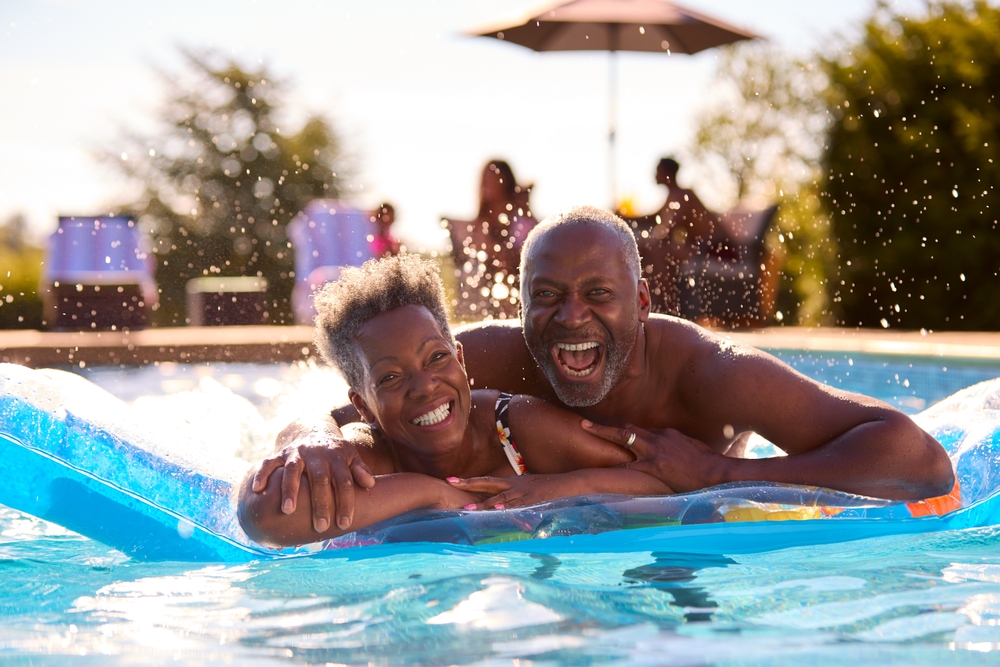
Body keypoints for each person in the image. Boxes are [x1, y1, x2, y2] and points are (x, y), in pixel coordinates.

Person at [250, 205, 955, 536]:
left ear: (643, 302)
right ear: (522, 307)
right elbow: (373, 384)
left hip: (701, 537)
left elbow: (920, 461)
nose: (571, 319)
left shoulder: (713, 375)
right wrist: (310, 436)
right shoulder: (490, 355)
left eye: (599, 296)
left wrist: (719, 476)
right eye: (547, 299)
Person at [239, 254, 669, 547]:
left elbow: (654, 482)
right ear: (364, 407)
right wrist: (435, 496)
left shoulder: (512, 428)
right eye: (390, 377)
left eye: (438, 357)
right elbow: (262, 515)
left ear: (461, 361)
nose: (424, 386)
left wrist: (559, 487)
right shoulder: (364, 458)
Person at [444, 160, 536, 320]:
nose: (488, 185)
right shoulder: (477, 226)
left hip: (515, 302)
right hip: (479, 306)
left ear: (506, 182)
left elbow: (526, 257)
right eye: (485, 180)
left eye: (494, 179)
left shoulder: (519, 219)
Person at [626, 158, 718, 315]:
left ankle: (666, 309)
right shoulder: (673, 196)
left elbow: (666, 230)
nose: (654, 174)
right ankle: (650, 304)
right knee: (653, 250)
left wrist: (643, 243)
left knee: (658, 252)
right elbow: (652, 218)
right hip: (701, 247)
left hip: (715, 248)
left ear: (666, 173)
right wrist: (623, 217)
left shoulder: (683, 196)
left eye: (657, 170)